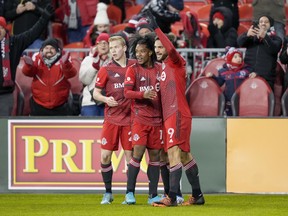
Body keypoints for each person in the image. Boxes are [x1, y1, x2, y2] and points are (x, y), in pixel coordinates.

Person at [146, 11, 205, 207]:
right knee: (184, 155)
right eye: (155, 47)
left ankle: (171, 197)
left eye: (160, 46)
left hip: (178, 113)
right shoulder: (162, 68)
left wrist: (156, 28)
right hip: (172, 115)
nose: (157, 50)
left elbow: (171, 49)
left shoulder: (176, 61)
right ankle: (197, 195)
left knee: (172, 153)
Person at [93, 34, 136, 204]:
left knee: (130, 158)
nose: (113, 51)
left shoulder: (134, 66)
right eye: (111, 49)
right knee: (105, 156)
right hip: (111, 119)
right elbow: (96, 93)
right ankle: (108, 192)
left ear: (124, 48)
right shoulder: (106, 69)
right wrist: (105, 99)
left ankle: (129, 193)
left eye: (116, 47)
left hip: (130, 120)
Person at [122, 33, 163, 205]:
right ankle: (129, 193)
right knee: (137, 154)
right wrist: (143, 94)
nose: (138, 54)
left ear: (150, 53)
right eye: (136, 51)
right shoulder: (132, 69)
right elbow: (126, 93)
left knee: (155, 157)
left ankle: (152, 195)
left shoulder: (160, 69)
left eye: (142, 51)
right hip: (140, 118)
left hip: (157, 119)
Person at [0, 5, 54, 116]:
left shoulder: (14, 43)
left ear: (5, 30)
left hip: (5, 96)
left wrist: (44, 18)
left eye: (0, 27)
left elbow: (32, 34)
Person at [22, 38, 77, 116]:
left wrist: (66, 63)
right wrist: (29, 65)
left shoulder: (64, 58)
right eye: (46, 48)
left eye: (52, 48)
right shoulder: (36, 57)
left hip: (61, 105)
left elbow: (71, 74)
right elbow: (28, 73)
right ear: (42, 49)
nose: (49, 50)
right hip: (38, 104)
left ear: (57, 50)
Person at [206, 47, 256, 116]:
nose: (239, 58)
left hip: (243, 101)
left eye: (240, 56)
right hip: (229, 101)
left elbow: (252, 82)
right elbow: (219, 82)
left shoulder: (246, 70)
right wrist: (212, 76)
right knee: (230, 118)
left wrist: (254, 74)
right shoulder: (223, 71)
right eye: (235, 57)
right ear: (229, 59)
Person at [237, 15, 282, 91]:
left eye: (266, 22)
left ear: (270, 25)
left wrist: (265, 37)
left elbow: (274, 49)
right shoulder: (251, 38)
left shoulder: (276, 39)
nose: (263, 23)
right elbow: (239, 42)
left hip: (266, 78)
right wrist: (247, 35)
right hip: (248, 75)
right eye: (261, 22)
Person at [79, 33, 111, 116]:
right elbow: (84, 80)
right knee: (88, 128)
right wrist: (94, 67)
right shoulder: (88, 59)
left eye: (106, 43)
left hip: (109, 101)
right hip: (90, 102)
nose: (103, 45)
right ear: (96, 45)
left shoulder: (115, 60)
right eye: (100, 43)